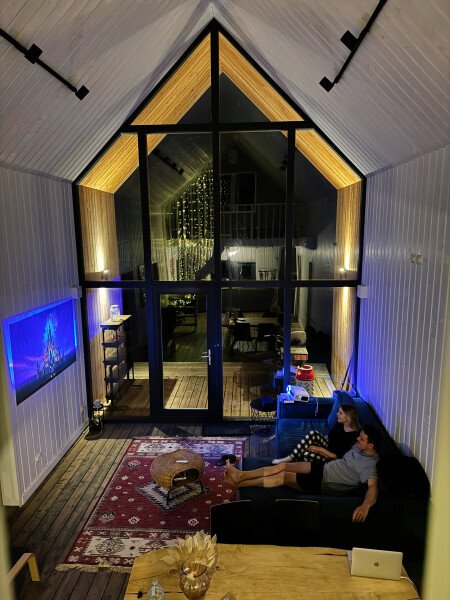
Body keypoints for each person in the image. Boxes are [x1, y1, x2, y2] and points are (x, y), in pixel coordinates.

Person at [225, 424, 382, 523]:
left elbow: (373, 487)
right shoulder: (358, 448)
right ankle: (241, 475)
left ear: (371, 445)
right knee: (283, 466)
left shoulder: (370, 466)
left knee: (283, 477)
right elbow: (340, 459)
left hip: (324, 483)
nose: (357, 439)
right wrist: (322, 451)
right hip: (324, 468)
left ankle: (242, 483)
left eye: (362, 439)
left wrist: (365, 505)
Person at [272, 404, 360, 465]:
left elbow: (336, 457)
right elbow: (329, 436)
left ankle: (292, 465)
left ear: (348, 416)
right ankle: (289, 459)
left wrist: (319, 449)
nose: (337, 414)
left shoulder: (353, 436)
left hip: (332, 458)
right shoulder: (340, 424)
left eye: (340, 413)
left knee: (306, 454)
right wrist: (315, 441)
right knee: (313, 434)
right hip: (328, 446)